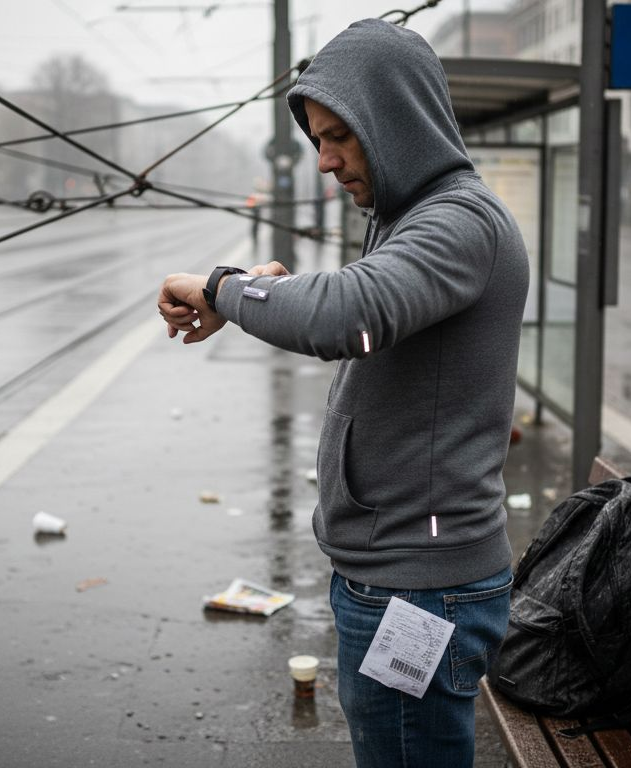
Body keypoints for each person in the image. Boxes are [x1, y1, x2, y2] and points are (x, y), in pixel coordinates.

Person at [157, 19, 528, 768]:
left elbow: (348, 318)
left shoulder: (458, 222)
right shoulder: (413, 218)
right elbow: (369, 314)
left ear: (394, 121)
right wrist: (278, 295)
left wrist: (223, 288)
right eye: (317, 140)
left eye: (339, 138)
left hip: (419, 589)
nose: (324, 162)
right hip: (401, 574)